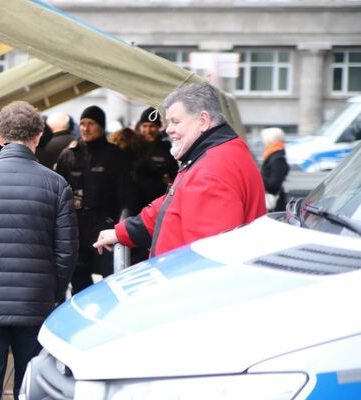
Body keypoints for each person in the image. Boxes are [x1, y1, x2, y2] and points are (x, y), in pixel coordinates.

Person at [0, 101, 78, 400]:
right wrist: (52, 291)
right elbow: (66, 253)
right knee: (31, 388)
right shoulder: (56, 185)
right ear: (38, 137)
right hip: (35, 300)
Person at [94, 82, 265, 258]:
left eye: (175, 121)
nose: (168, 129)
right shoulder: (215, 154)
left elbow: (207, 258)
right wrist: (123, 232)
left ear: (203, 121)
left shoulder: (211, 169)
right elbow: (173, 203)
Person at [55, 105, 134, 292]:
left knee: (113, 281)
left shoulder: (114, 155)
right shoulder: (69, 154)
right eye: (82, 123)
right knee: (78, 281)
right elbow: (57, 192)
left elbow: (127, 195)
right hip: (76, 228)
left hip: (104, 227)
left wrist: (120, 225)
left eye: (91, 123)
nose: (85, 128)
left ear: (101, 126)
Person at [134, 107, 179, 209]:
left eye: (152, 126)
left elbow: (175, 180)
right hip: (136, 205)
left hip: (158, 204)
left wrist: (170, 192)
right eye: (144, 126)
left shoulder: (165, 149)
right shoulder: (133, 147)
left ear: (159, 127)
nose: (148, 130)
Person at [260, 127, 290, 212]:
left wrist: (259, 177)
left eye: (264, 140)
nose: (263, 142)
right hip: (274, 201)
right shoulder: (273, 155)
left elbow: (274, 185)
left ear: (270, 140)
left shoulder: (277, 158)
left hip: (274, 203)